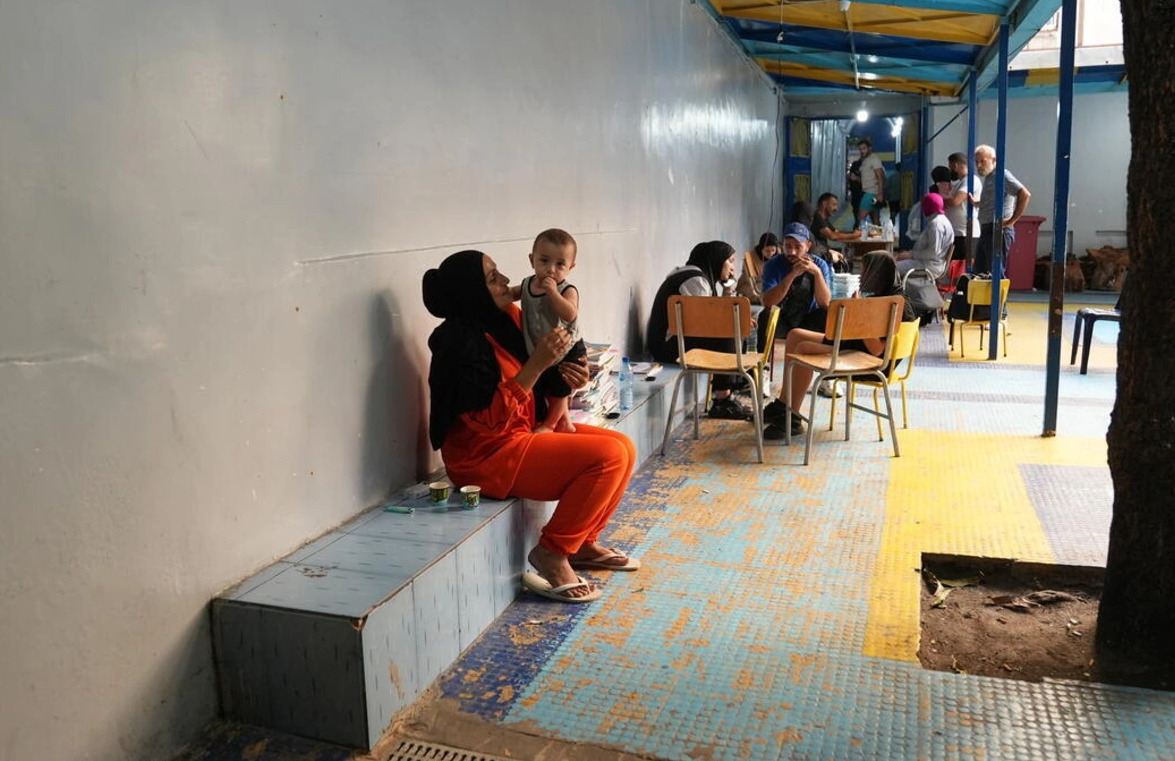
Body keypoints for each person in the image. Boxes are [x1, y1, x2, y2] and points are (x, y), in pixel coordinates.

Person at [423, 250, 639, 604]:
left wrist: (572, 376)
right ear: (472, 291)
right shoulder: (458, 342)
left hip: (521, 432)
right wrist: (538, 365)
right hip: (485, 456)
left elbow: (546, 374)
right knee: (608, 457)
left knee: (624, 447)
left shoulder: (508, 317)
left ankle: (582, 543)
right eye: (493, 278)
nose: (506, 281)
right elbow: (488, 419)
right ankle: (552, 553)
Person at [766, 251, 917, 440]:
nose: (862, 277)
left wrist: (859, 311)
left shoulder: (892, 305)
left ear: (877, 273)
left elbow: (877, 349)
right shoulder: (892, 296)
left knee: (802, 349)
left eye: (865, 271)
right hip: (861, 349)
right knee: (795, 335)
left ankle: (792, 418)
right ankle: (782, 406)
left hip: (872, 362)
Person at [646, 241, 748, 421]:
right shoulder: (695, 280)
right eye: (730, 261)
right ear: (716, 260)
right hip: (667, 347)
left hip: (674, 342)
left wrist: (727, 289)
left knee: (731, 329)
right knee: (728, 333)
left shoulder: (693, 275)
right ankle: (723, 400)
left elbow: (709, 319)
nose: (733, 268)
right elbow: (707, 325)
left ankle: (728, 392)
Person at [758, 222, 838, 419]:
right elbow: (768, 301)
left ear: (808, 246)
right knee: (765, 315)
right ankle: (763, 371)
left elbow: (825, 302)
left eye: (798, 247)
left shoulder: (820, 265)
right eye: (788, 246)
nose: (792, 252)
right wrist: (793, 274)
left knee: (829, 316)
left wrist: (816, 273)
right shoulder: (774, 264)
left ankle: (827, 375)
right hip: (784, 318)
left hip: (808, 320)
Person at [510, 228, 585, 434]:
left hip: (567, 345)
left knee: (560, 386)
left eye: (560, 264)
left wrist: (552, 292)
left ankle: (550, 424)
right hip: (541, 346)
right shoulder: (527, 284)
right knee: (545, 384)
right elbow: (510, 294)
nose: (551, 270)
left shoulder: (566, 290)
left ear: (570, 267)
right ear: (532, 260)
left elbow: (570, 313)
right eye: (544, 261)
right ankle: (565, 422)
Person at [973, 144, 1031, 275]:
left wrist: (1012, 221)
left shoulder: (1002, 175)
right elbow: (995, 200)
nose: (979, 165)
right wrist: (978, 203)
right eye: (977, 162)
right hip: (987, 229)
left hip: (998, 229)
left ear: (994, 160)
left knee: (994, 273)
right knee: (981, 272)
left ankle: (997, 290)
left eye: (982, 161)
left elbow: (1024, 194)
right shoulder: (990, 177)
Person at [895, 193, 955, 280]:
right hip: (930, 263)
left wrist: (911, 255)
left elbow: (933, 252)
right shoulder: (943, 221)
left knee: (892, 267)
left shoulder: (936, 224)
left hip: (929, 265)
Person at [808, 193, 861, 273]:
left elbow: (836, 231)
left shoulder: (824, 219)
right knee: (844, 258)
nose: (836, 208)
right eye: (834, 205)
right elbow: (832, 236)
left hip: (824, 250)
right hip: (818, 253)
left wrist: (853, 232)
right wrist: (854, 235)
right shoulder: (817, 218)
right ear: (824, 204)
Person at [944, 152, 980, 265]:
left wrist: (938, 200)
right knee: (954, 268)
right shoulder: (961, 183)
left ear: (955, 165)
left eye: (950, 167)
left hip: (966, 234)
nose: (950, 171)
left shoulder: (971, 180)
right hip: (958, 234)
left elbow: (956, 201)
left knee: (962, 268)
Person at [736, 232, 780, 305]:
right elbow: (752, 286)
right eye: (767, 251)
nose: (770, 254)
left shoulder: (778, 257)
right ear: (761, 249)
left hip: (767, 293)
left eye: (773, 250)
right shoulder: (750, 259)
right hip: (749, 293)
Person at [856, 138, 886, 228]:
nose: (862, 151)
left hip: (871, 193)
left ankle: (860, 235)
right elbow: (866, 179)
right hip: (871, 192)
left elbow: (879, 177)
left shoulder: (874, 159)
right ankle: (879, 236)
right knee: (875, 218)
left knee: (861, 217)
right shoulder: (865, 160)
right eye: (860, 149)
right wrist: (856, 178)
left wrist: (880, 194)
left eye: (864, 148)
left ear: (869, 148)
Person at [847, 157, 864, 228]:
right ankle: (858, 224)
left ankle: (858, 224)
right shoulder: (856, 165)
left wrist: (856, 179)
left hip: (860, 194)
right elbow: (851, 177)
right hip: (857, 194)